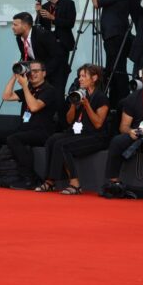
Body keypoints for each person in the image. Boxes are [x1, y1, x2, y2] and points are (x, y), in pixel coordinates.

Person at [0, 60, 57, 189]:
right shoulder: (29, 88)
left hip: (41, 131)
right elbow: (6, 96)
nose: (32, 74)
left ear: (44, 73)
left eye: (36, 71)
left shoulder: (49, 90)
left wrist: (24, 86)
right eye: (30, 71)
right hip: (24, 129)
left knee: (14, 138)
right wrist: (15, 75)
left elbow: (34, 107)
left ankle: (29, 178)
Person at [35, 64, 110, 195]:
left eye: (83, 76)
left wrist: (87, 105)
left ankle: (75, 184)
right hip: (77, 132)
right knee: (52, 140)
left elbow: (98, 124)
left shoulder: (101, 98)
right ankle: (50, 181)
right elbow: (69, 121)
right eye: (79, 76)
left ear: (94, 78)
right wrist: (73, 106)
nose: (80, 79)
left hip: (95, 136)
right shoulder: (79, 94)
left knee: (62, 145)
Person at [103, 61, 143, 202]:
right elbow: (123, 126)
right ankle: (114, 183)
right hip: (138, 134)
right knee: (117, 141)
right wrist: (131, 131)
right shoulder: (133, 97)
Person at [89, 0, 134, 109]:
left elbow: (97, 3)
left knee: (115, 70)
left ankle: (119, 105)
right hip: (114, 33)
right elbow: (106, 0)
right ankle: (116, 104)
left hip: (115, 34)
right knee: (113, 69)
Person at [36, 0, 76, 110]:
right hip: (48, 49)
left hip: (63, 46)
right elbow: (39, 27)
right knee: (48, 80)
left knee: (59, 79)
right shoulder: (45, 7)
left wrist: (53, 18)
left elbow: (70, 23)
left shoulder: (68, 3)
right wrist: (38, 13)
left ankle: (60, 115)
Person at [12, 12, 63, 85]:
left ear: (26, 26)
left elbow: (57, 56)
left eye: (15, 25)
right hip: (38, 74)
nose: (12, 27)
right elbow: (26, 56)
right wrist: (21, 65)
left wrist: (43, 73)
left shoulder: (43, 35)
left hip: (55, 73)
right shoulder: (19, 38)